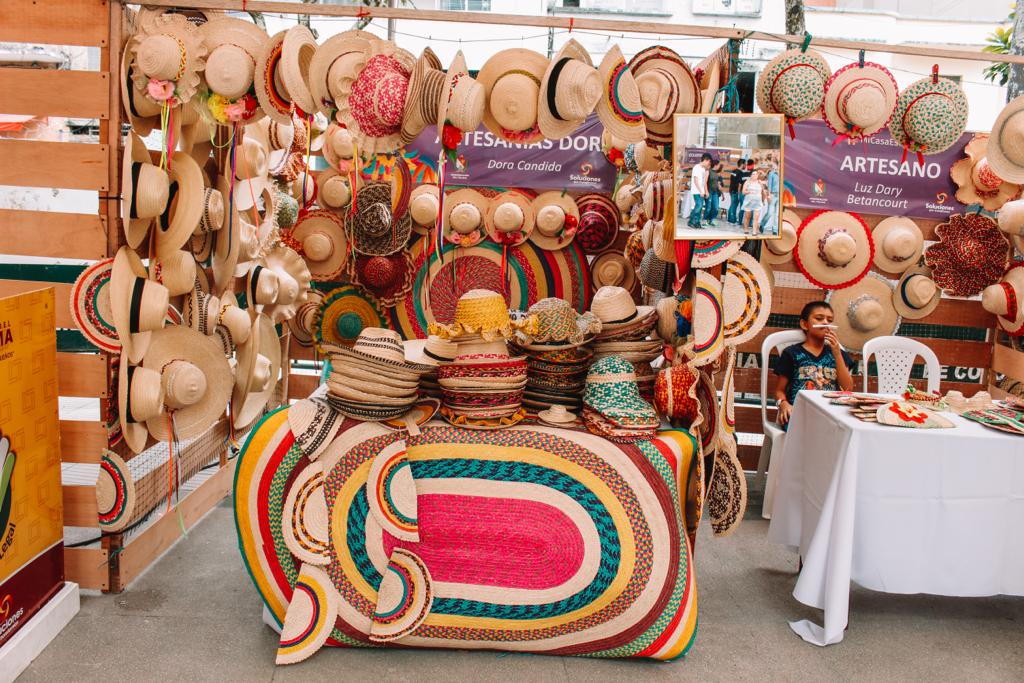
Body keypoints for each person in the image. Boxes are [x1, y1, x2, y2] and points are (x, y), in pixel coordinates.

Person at [774, 301, 855, 428]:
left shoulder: (839, 354)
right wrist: (783, 404)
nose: (825, 322)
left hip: (831, 415)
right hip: (799, 414)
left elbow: (848, 389)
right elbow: (779, 390)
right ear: (804, 324)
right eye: (819, 318)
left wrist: (837, 354)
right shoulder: (791, 353)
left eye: (830, 320)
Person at [688, 153, 711, 229]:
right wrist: (701, 191)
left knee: (700, 208)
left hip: (701, 191)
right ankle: (691, 222)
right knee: (699, 206)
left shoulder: (703, 169)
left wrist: (706, 191)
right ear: (705, 160)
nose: (708, 164)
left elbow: (704, 182)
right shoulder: (696, 167)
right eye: (709, 162)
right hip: (696, 191)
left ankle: (697, 223)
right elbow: (696, 181)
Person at [742, 169, 765, 235]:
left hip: (758, 202)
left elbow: (763, 192)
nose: (755, 175)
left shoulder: (760, 182)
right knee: (747, 217)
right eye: (753, 174)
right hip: (748, 202)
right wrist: (749, 192)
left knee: (756, 218)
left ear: (758, 175)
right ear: (751, 175)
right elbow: (743, 192)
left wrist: (763, 201)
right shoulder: (747, 182)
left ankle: (754, 231)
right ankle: (746, 229)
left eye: (756, 174)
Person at [760, 160, 780, 236]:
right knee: (770, 213)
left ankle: (775, 230)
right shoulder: (772, 173)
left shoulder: (783, 174)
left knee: (777, 214)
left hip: (780, 196)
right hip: (773, 195)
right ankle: (762, 224)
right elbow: (769, 185)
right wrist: (768, 195)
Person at [727, 158, 749, 224]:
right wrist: (739, 193)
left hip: (731, 190)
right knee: (734, 205)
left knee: (732, 205)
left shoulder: (733, 171)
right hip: (736, 191)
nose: (745, 166)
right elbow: (740, 184)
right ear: (742, 164)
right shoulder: (740, 173)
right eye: (745, 164)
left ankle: (729, 219)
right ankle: (732, 220)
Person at [704, 161, 724, 226]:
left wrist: (722, 194)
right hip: (709, 191)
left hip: (715, 192)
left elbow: (718, 184)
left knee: (716, 208)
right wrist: (706, 191)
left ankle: (712, 220)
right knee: (708, 208)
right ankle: (705, 220)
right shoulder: (708, 171)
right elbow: (705, 182)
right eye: (719, 165)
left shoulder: (717, 173)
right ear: (715, 165)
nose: (719, 166)